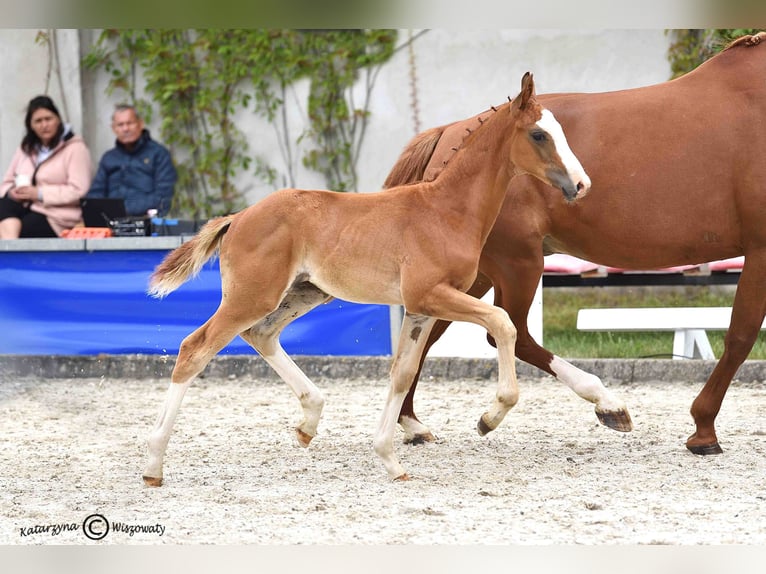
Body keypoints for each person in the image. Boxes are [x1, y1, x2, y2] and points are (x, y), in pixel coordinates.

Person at [0, 95, 93, 238]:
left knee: (26, 229)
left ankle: (10, 252)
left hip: (57, 217)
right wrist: (12, 192)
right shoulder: (26, 148)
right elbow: (6, 182)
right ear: (30, 125)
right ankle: (10, 247)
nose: (44, 125)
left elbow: (78, 190)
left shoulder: (75, 148)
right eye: (38, 121)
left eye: (48, 119)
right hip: (25, 207)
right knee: (3, 206)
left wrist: (39, 193)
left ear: (58, 120)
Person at [87, 104, 177, 217]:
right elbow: (95, 195)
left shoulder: (159, 154)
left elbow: (163, 197)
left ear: (141, 124)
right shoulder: (108, 158)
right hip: (110, 224)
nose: (125, 129)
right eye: (120, 125)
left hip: (146, 223)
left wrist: (123, 210)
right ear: (113, 128)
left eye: (130, 123)